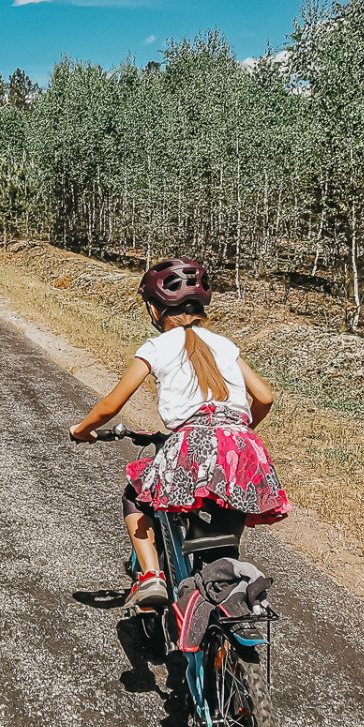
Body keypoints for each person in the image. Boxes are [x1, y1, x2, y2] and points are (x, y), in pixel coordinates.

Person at [69, 257, 289, 610]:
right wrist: (236, 435)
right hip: (243, 445)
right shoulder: (225, 344)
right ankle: (226, 582)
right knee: (225, 526)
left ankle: (152, 576)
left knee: (137, 495)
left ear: (156, 310)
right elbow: (265, 396)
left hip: (192, 441)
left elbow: (112, 404)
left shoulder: (158, 347)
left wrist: (82, 430)